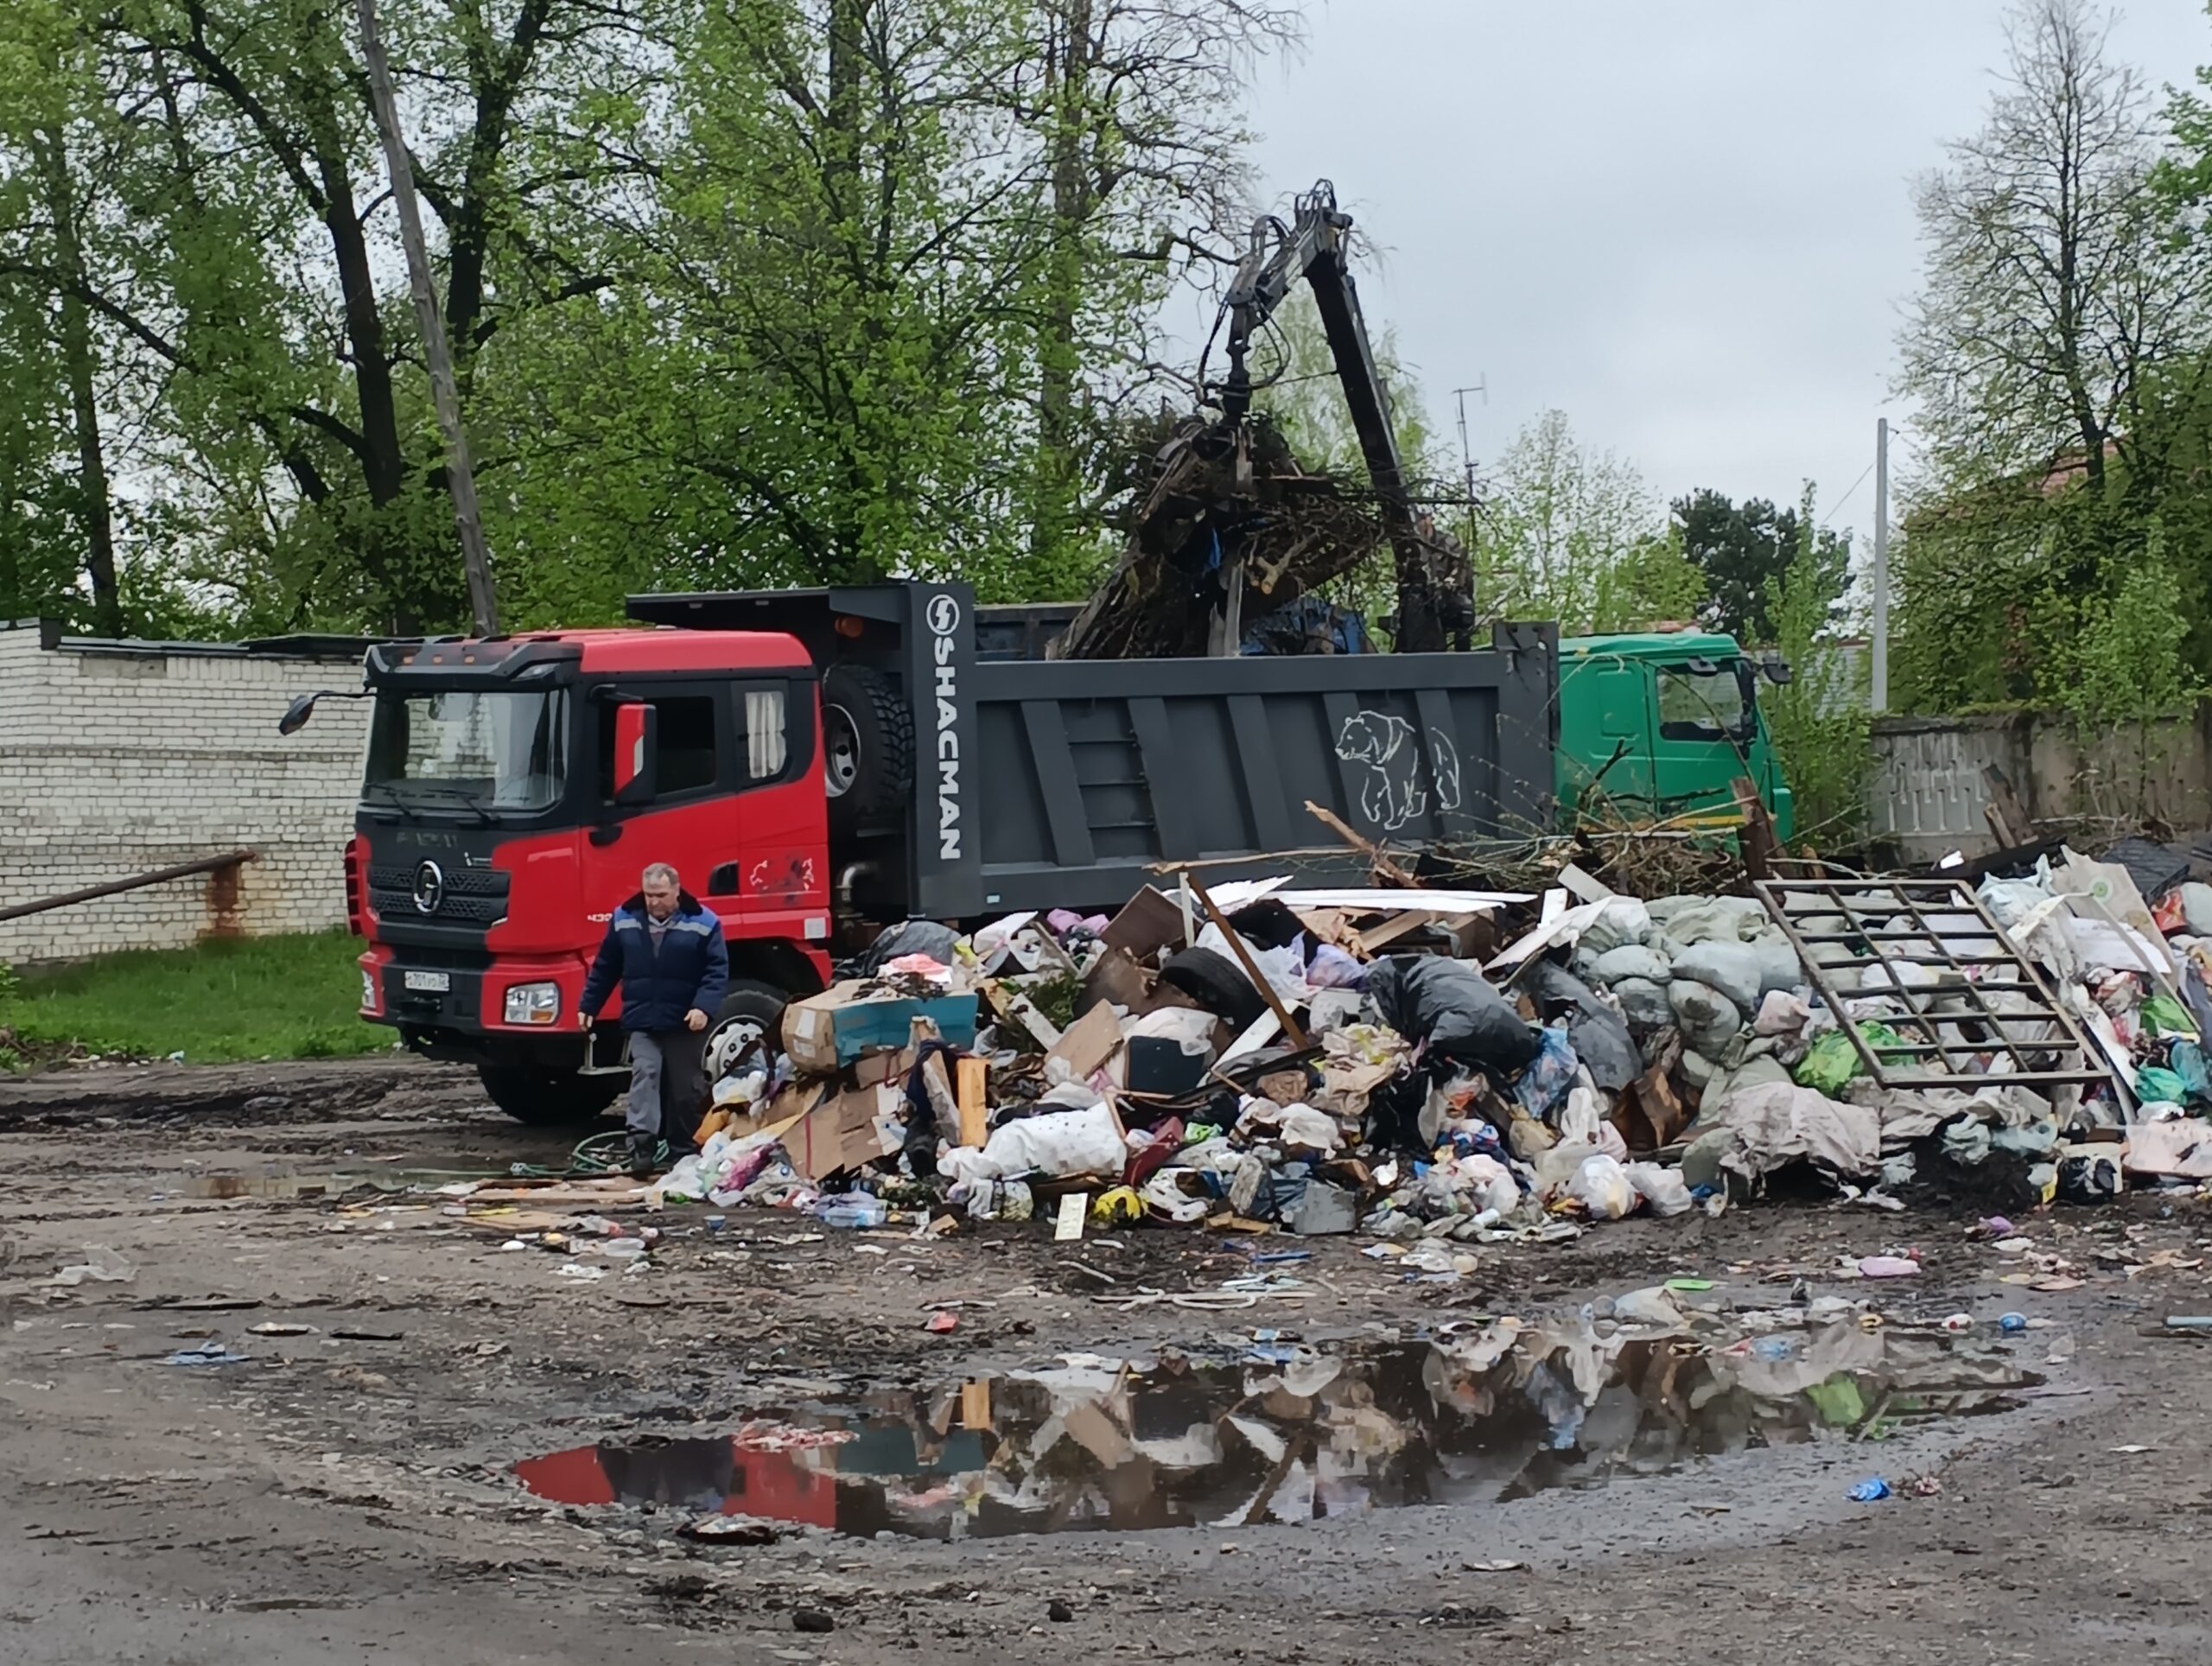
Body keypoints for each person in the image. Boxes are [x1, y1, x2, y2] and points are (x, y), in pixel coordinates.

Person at [579, 862, 728, 1172]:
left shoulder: (704, 923)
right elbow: (607, 966)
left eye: (660, 895)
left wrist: (703, 1007)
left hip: (685, 1021)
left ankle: (685, 1150)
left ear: (676, 891)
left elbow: (716, 972)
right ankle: (642, 1148)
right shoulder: (623, 920)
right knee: (644, 1076)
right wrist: (588, 1005)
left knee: (686, 1088)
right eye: (649, 895)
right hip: (643, 1017)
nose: (653, 902)